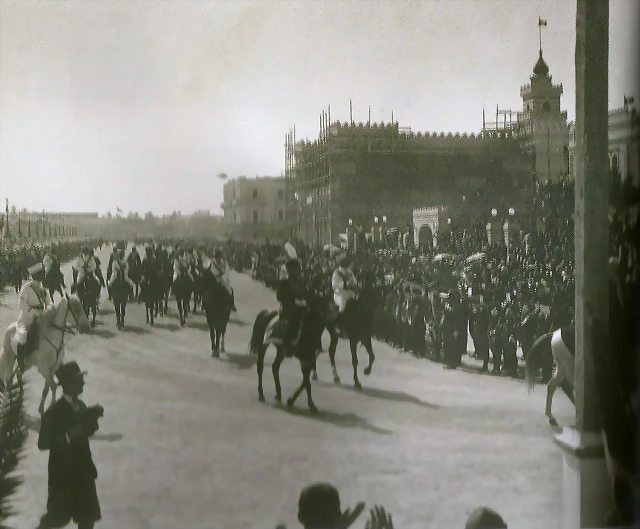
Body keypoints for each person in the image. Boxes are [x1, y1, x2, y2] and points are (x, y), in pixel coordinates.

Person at [37, 361, 103, 529]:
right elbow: (43, 442)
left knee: (87, 518)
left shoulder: (81, 406)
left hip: (84, 472)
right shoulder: (54, 412)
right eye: (79, 379)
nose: (83, 382)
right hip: (63, 476)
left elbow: (84, 433)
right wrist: (73, 433)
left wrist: (91, 420)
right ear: (68, 384)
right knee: (57, 519)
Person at [14, 263, 50, 370]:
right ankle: (21, 362)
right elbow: (21, 304)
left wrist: (50, 309)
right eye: (42, 274)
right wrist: (32, 312)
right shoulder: (26, 288)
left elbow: (48, 302)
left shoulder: (42, 289)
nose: (44, 276)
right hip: (27, 318)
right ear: (37, 276)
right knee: (23, 336)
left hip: (41, 317)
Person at [272, 258, 308, 351]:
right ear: (290, 271)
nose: (299, 271)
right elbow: (280, 296)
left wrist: (305, 300)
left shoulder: (302, 282)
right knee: (293, 323)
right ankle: (287, 344)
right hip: (289, 308)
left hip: (302, 308)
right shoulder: (285, 282)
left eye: (299, 269)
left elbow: (305, 293)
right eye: (296, 269)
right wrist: (294, 301)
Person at [331, 254, 359, 335]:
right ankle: (338, 325)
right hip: (339, 294)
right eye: (347, 264)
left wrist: (353, 283)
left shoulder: (350, 272)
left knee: (358, 302)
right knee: (342, 306)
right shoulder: (336, 273)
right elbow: (334, 285)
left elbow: (354, 281)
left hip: (349, 293)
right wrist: (344, 284)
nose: (348, 266)